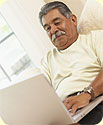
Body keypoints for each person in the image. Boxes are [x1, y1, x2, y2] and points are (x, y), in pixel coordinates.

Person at [39, 1, 103, 124]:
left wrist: (88, 93)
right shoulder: (47, 59)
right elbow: (43, 95)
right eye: (47, 28)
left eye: (57, 23)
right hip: (63, 109)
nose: (53, 30)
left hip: (92, 100)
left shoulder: (95, 38)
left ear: (73, 20)